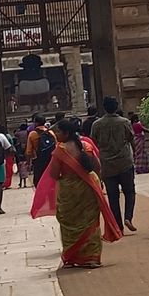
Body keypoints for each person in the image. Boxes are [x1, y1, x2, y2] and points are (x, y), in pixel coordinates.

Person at [31, 114, 122, 268]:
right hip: (89, 187)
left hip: (69, 190)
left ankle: (72, 257)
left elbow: (53, 174)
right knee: (91, 222)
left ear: (65, 133)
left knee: (69, 224)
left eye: (58, 133)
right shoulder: (86, 146)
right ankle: (92, 257)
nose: (56, 136)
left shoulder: (60, 151)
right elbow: (97, 166)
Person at [91, 95, 137, 233]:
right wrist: (133, 153)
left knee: (112, 196)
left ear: (104, 108)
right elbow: (131, 139)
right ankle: (128, 217)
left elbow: (93, 144)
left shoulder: (97, 124)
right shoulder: (124, 122)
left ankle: (118, 226)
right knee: (129, 191)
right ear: (116, 107)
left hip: (106, 163)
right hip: (124, 162)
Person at [128, 110, 149, 175]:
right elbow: (144, 129)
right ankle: (141, 168)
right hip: (140, 139)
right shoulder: (137, 125)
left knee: (137, 153)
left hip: (135, 139)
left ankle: (139, 168)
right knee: (141, 154)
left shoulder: (131, 125)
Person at [14, 122, 31, 188]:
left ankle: (21, 181)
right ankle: (25, 181)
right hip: (27, 148)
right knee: (26, 164)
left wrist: (18, 130)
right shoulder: (27, 132)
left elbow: (15, 134)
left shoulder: (18, 133)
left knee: (20, 165)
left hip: (20, 149)